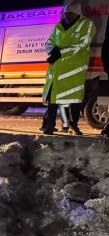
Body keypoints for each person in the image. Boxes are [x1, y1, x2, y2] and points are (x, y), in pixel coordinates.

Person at [41, 1, 96, 135]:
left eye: (70, 13)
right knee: (53, 100)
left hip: (74, 71)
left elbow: (82, 45)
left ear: (77, 13)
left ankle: (72, 125)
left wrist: (60, 52)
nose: (67, 15)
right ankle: (49, 125)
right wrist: (53, 51)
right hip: (57, 70)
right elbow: (49, 43)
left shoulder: (87, 25)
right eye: (65, 13)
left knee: (74, 100)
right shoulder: (59, 26)